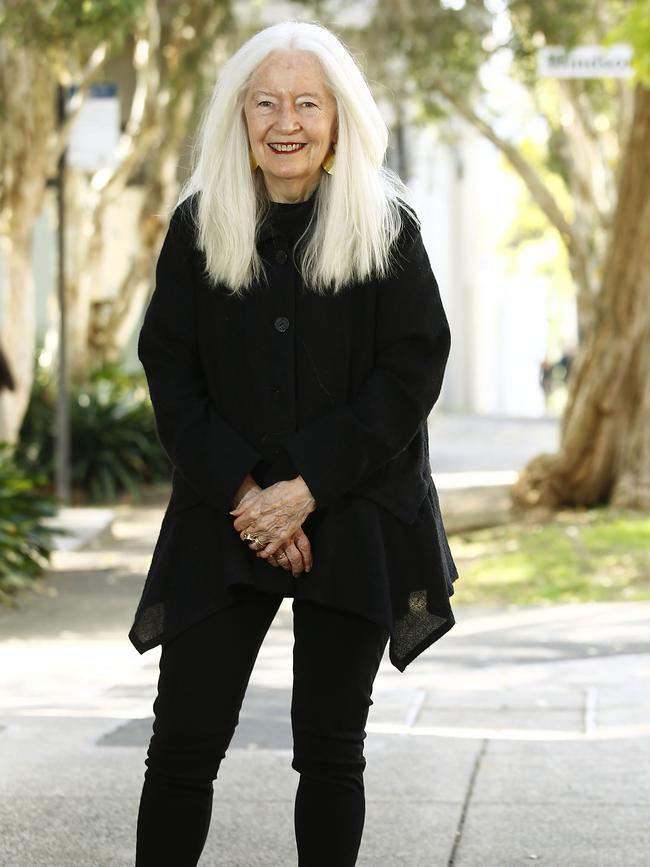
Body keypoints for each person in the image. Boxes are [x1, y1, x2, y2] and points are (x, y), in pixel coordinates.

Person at [129, 19, 459, 867]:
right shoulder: (198, 227)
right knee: (182, 745)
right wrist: (249, 497)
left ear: (339, 116)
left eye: (308, 102)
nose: (288, 121)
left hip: (354, 506)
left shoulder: (389, 228)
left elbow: (410, 373)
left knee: (330, 748)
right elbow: (171, 373)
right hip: (222, 509)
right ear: (240, 118)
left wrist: (304, 488)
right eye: (267, 102)